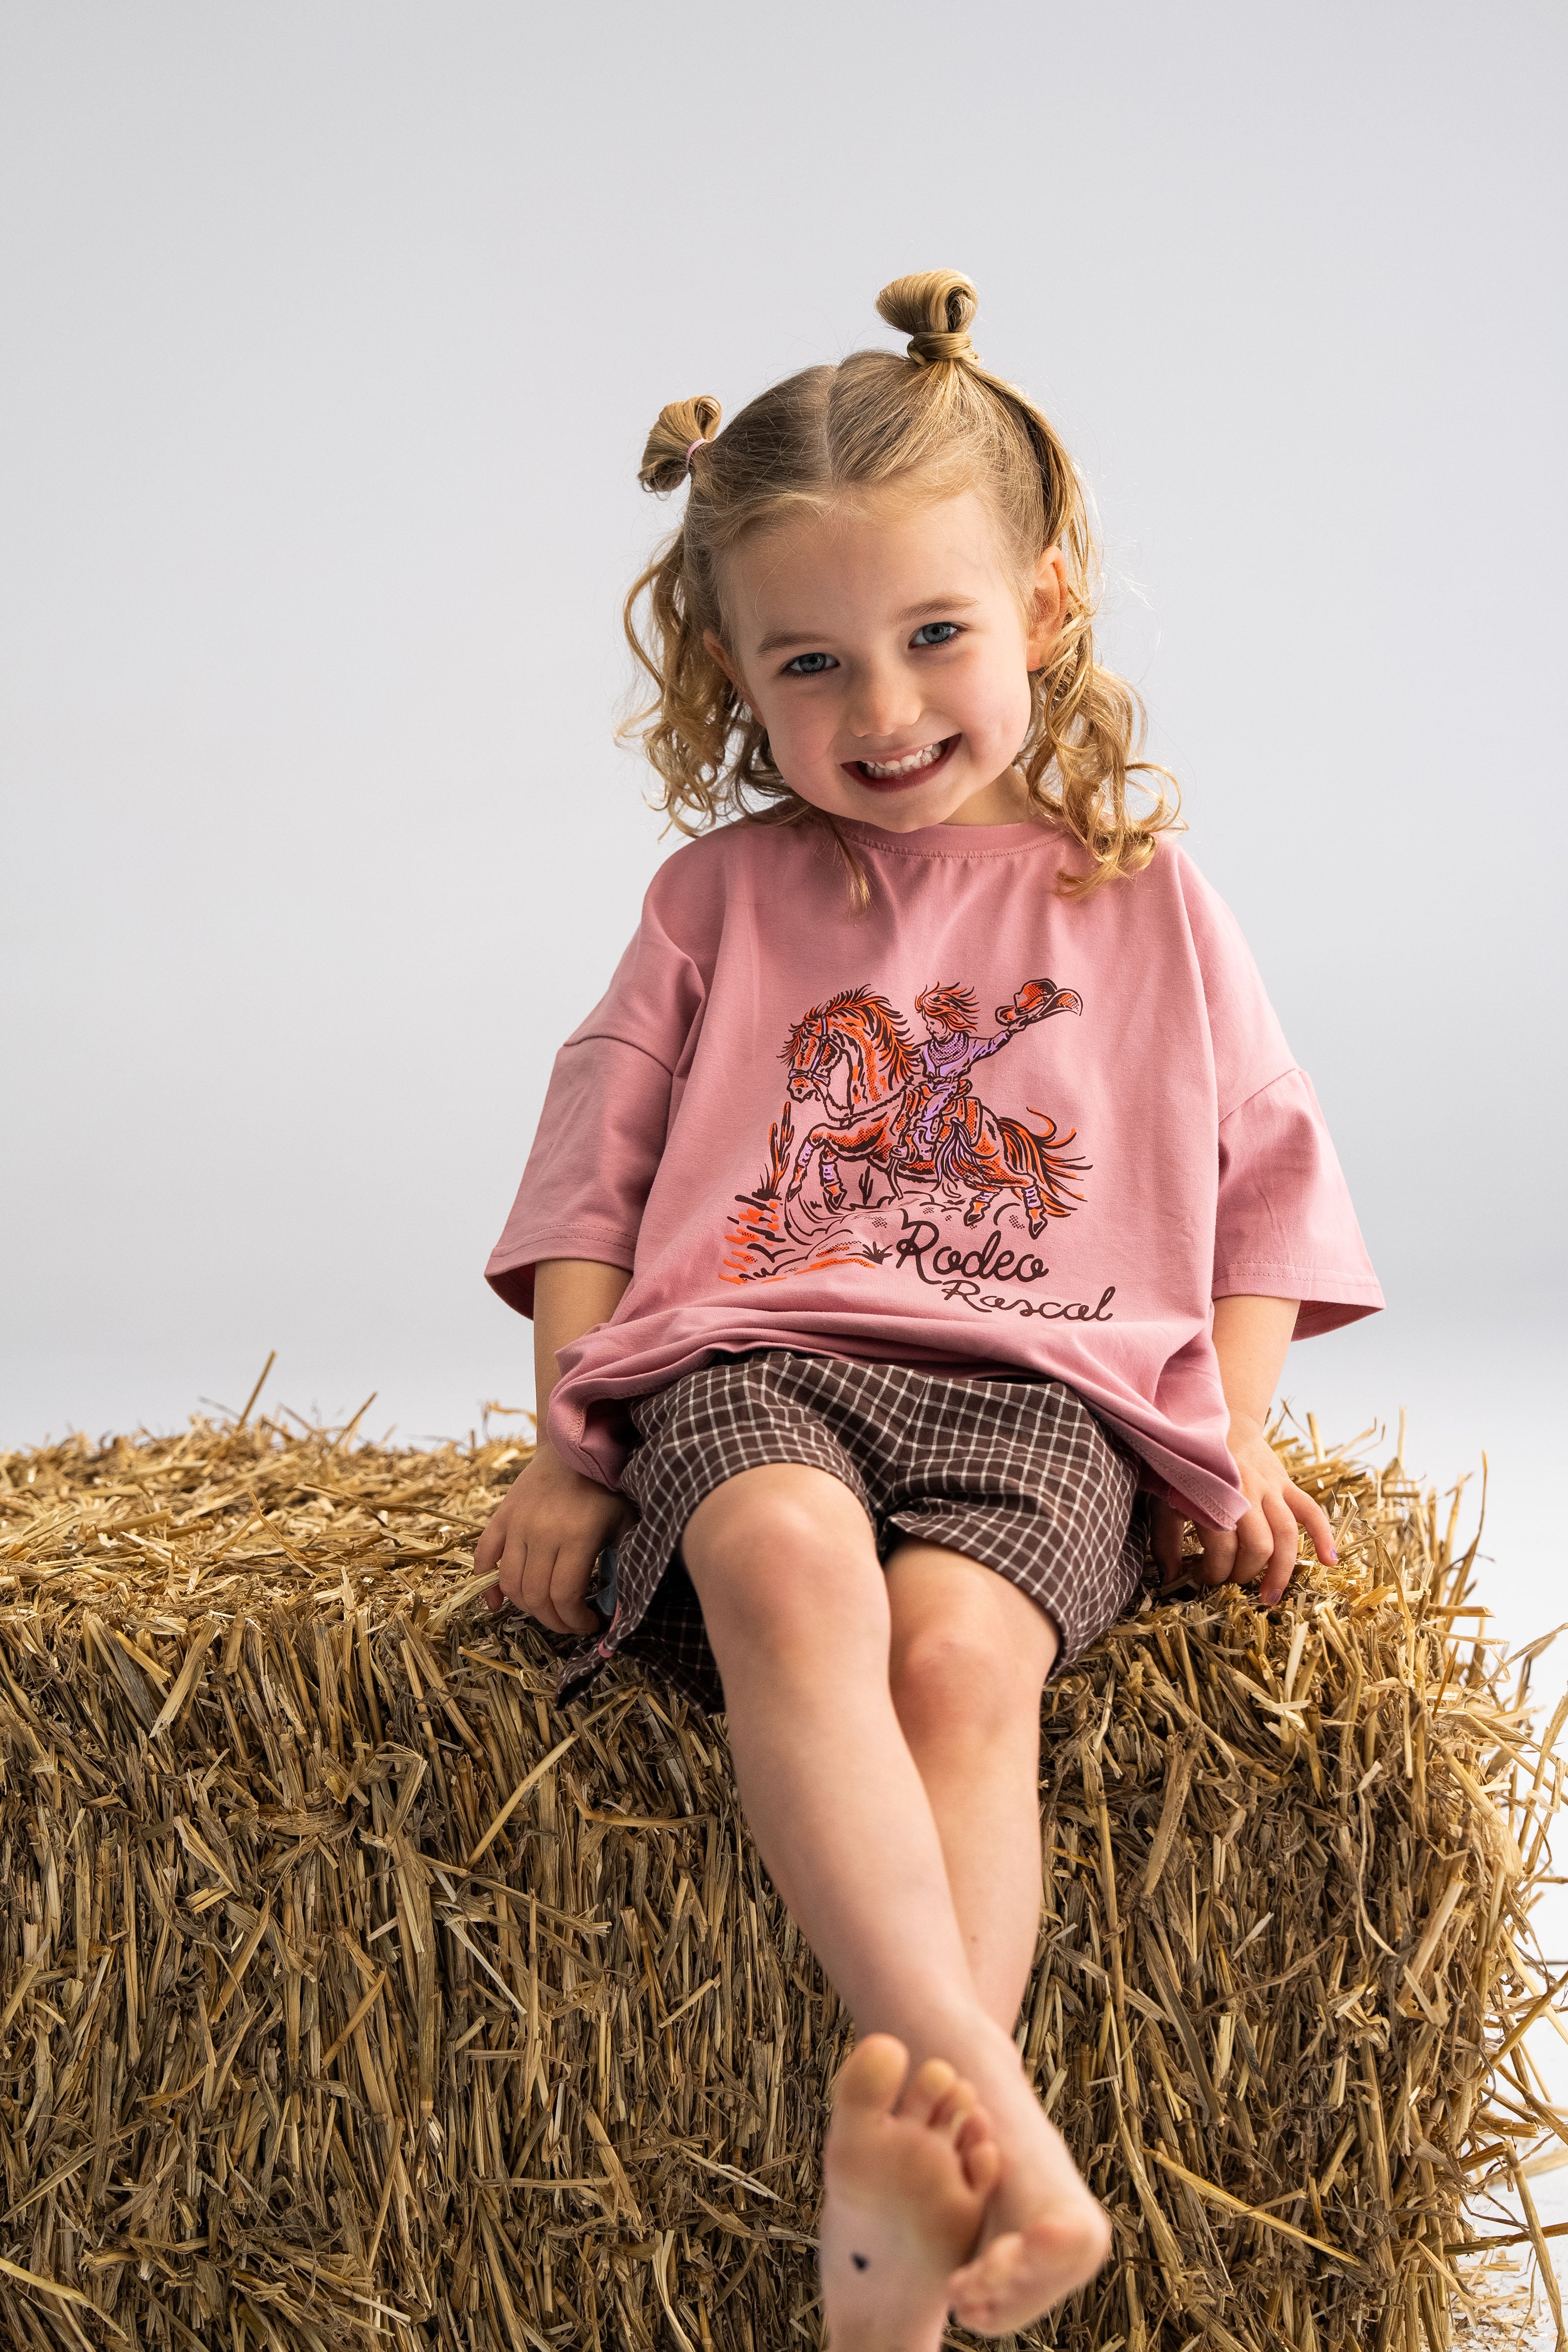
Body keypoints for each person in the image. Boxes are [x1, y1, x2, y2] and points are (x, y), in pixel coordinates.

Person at [476, 272, 1381, 2349]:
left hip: (1040, 1392)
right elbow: (596, 1177)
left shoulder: (1141, 898)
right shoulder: (714, 902)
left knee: (968, 1659)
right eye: (814, 662)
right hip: (757, 1353)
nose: (884, 710)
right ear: (731, 675)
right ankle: (998, 2118)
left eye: (936, 636)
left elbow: (1261, 1186)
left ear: (1045, 612)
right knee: (792, 1560)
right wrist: (564, 1441)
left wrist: (1223, 1440)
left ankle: (903, 2205)